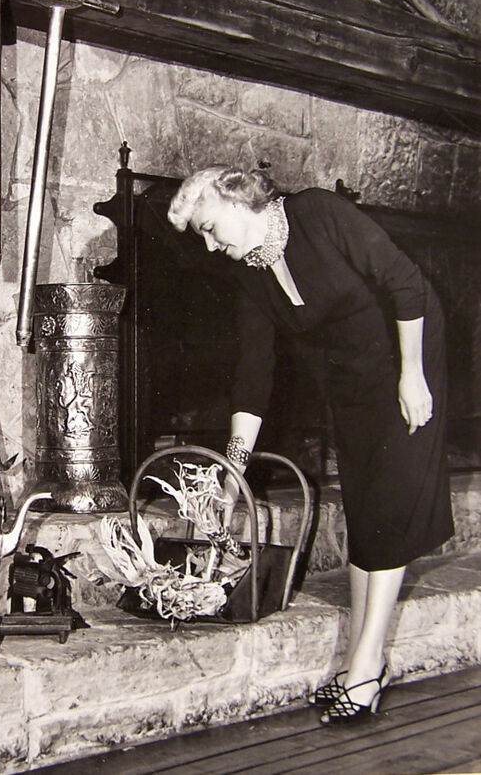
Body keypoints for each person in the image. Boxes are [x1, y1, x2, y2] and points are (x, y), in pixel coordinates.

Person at [167, 166, 454, 725]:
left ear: (236, 201)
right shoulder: (250, 273)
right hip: (349, 376)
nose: (209, 245)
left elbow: (405, 282)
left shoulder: (319, 213)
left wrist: (413, 376)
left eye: (208, 228)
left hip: (408, 351)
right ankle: (358, 662)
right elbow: (255, 376)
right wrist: (234, 467)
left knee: (389, 507)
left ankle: (366, 668)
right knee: (364, 505)